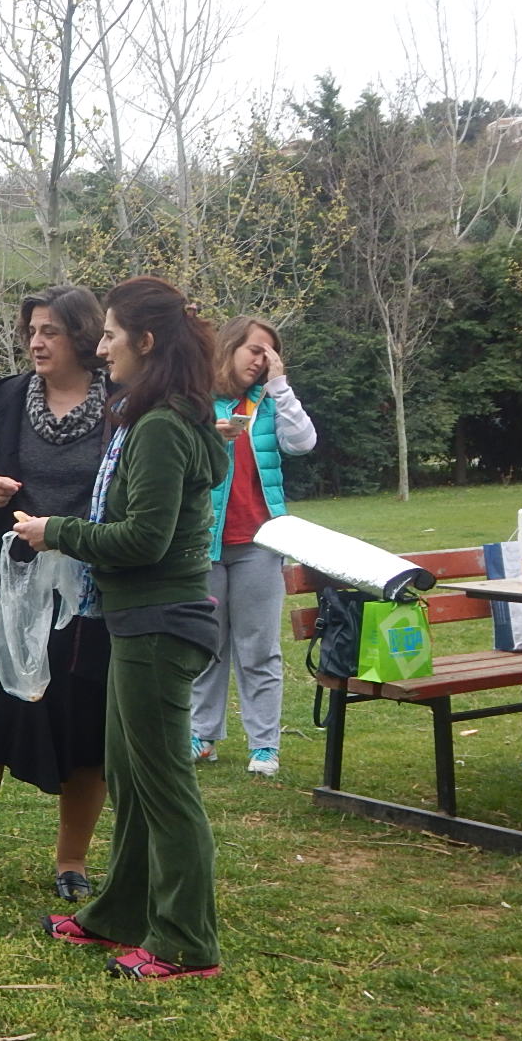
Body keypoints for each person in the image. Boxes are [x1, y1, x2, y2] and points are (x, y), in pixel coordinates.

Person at [15, 276, 229, 981]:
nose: (101, 348)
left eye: (110, 335)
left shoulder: (162, 427)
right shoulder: (152, 417)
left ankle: (186, 942)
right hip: (135, 621)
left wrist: (56, 531)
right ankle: (120, 914)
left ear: (146, 341)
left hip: (161, 625)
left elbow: (143, 538)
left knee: (164, 787)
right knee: (132, 780)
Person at [0, 285, 112, 905]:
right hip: (5, 586)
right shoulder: (6, 398)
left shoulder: (122, 404)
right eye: (32, 331)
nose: (36, 343)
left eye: (51, 332)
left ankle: (72, 861)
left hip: (87, 593)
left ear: (83, 337)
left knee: (85, 727)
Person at [190, 316, 318, 776]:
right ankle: (202, 736)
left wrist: (280, 386)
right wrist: (211, 435)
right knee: (206, 644)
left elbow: (302, 443)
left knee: (259, 648)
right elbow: (178, 457)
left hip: (260, 542)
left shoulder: (268, 401)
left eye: (270, 354)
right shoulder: (198, 400)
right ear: (229, 348)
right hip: (203, 542)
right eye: (255, 350)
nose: (262, 361)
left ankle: (264, 745)